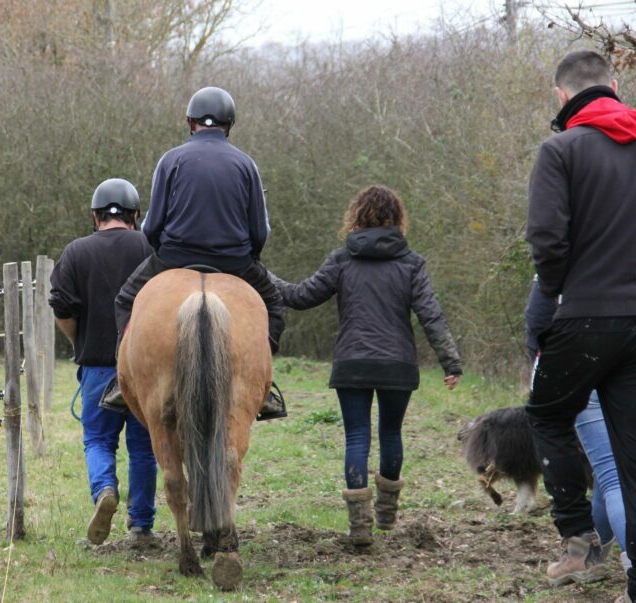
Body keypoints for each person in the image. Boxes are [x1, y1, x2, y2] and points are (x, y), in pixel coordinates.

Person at [269, 185, 461, 547]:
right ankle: (387, 514)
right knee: (391, 434)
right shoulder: (411, 263)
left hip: (353, 362)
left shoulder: (342, 259)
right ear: (397, 218)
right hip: (397, 364)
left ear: (357, 215)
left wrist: (262, 274)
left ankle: (359, 527)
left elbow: (300, 296)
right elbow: (430, 315)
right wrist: (450, 361)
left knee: (357, 436)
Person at [525, 49, 636, 603]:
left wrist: (555, 293)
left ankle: (578, 539)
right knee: (631, 453)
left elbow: (547, 241)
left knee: (546, 413)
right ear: (615, 85)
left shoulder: (560, 150)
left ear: (562, 97)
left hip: (586, 318)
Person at [112, 85, 287, 420]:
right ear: (229, 124)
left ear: (191, 122)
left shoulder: (171, 160)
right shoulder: (246, 164)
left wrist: (164, 250)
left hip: (175, 258)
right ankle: (261, 387)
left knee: (125, 300)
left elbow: (150, 227)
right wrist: (251, 257)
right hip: (235, 263)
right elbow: (260, 230)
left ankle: (124, 381)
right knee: (274, 306)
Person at [48, 178, 158, 547]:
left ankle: (105, 490)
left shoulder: (76, 252)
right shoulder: (153, 247)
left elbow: (62, 307)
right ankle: (141, 527)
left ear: (95, 216)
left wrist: (79, 340)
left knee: (98, 439)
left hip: (97, 366)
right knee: (144, 446)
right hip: (146, 368)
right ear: (136, 216)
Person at [525, 279, 631, 582]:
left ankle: (630, 569)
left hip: (581, 349)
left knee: (611, 473)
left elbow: (538, 313)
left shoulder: (569, 246)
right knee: (609, 468)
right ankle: (585, 556)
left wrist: (539, 360)